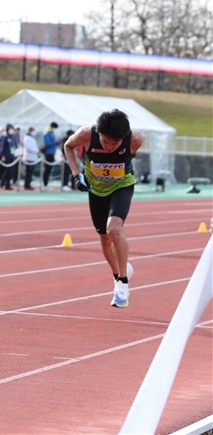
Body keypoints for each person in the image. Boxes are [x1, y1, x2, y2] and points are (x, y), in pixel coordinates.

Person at [64, 109, 143, 309]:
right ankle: (117, 275)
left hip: (122, 185)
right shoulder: (85, 134)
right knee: (104, 237)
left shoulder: (135, 139)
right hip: (96, 190)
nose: (109, 147)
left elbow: (129, 154)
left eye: (114, 144)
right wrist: (76, 174)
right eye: (105, 142)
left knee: (114, 229)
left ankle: (123, 283)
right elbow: (68, 146)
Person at [0, 124, 15, 190]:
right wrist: (3, 155)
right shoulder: (5, 137)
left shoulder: (12, 137)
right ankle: (3, 183)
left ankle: (6, 184)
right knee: (7, 170)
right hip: (6, 156)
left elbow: (12, 148)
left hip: (10, 156)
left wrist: (13, 156)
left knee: (10, 171)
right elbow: (2, 147)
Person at [42, 122, 60, 188]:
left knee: (49, 169)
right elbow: (48, 144)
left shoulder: (51, 133)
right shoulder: (47, 133)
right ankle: (45, 184)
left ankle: (46, 184)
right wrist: (57, 142)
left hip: (52, 153)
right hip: (48, 154)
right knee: (47, 169)